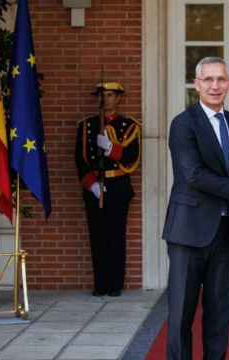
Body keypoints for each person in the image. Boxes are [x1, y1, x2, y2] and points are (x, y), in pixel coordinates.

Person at [162, 56, 229, 360]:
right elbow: (194, 175)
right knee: (180, 316)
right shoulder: (183, 124)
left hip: (225, 232)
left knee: (219, 314)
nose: (215, 86)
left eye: (221, 79)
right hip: (188, 231)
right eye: (208, 79)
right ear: (197, 84)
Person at [74, 82, 141, 297]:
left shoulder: (129, 126)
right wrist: (92, 184)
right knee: (97, 235)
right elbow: (80, 158)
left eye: (110, 95)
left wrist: (111, 148)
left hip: (118, 186)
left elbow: (132, 157)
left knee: (115, 235)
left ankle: (114, 285)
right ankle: (100, 284)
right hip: (95, 187)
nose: (106, 99)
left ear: (119, 98)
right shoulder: (86, 126)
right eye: (102, 95)